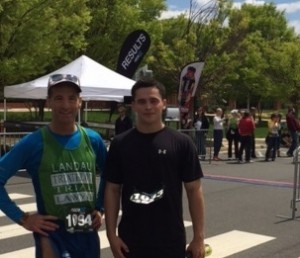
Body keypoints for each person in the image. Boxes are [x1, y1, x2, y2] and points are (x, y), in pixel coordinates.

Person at [0, 74, 107, 258]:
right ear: (48, 102)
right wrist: (23, 218)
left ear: (79, 102)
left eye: (71, 98)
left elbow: (111, 177)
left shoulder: (93, 139)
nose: (66, 105)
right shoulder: (33, 143)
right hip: (53, 234)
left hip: (86, 231)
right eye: (58, 98)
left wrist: (100, 207)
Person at [104, 78, 206, 258]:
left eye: (153, 101)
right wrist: (111, 235)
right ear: (133, 106)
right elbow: (112, 190)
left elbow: (194, 190)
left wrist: (198, 237)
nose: (148, 106)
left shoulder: (182, 143)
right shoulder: (120, 144)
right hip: (130, 241)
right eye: (141, 102)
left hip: (170, 240)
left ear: (164, 104)